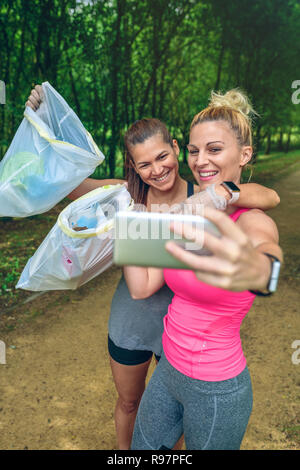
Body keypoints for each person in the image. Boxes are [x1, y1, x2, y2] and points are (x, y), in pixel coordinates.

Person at [26, 86, 280, 449]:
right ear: (134, 166)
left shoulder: (203, 198)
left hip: (177, 336)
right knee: (133, 404)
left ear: (175, 149)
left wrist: (260, 266)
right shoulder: (127, 196)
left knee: (170, 428)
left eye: (164, 156)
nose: (157, 169)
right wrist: (46, 122)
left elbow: (266, 198)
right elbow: (71, 187)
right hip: (138, 321)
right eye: (144, 164)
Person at [123, 89, 283, 450]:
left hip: (216, 388)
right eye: (194, 151)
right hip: (166, 374)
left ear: (244, 155)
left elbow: (265, 254)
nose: (200, 160)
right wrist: (126, 231)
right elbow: (141, 286)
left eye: (214, 149)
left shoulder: (249, 220)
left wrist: (262, 272)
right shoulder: (190, 216)